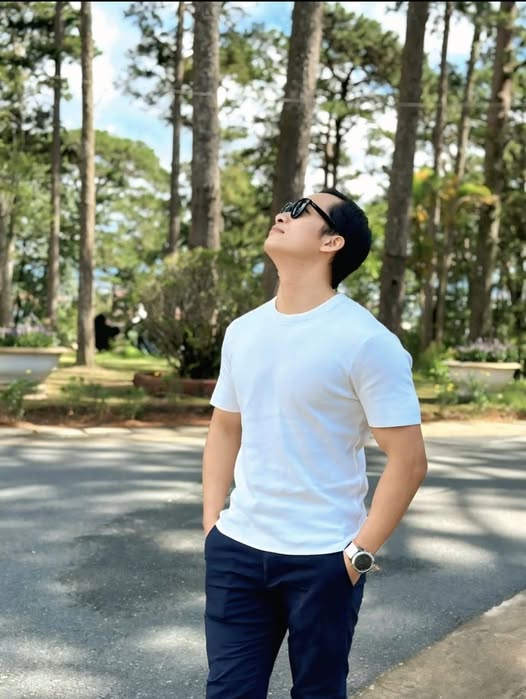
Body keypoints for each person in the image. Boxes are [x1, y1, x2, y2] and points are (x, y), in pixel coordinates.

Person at [202, 187, 428, 699]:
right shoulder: (243, 331)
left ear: (332, 242)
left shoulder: (368, 341)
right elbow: (225, 426)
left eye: (302, 210)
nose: (283, 213)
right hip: (237, 550)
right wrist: (213, 524)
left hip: (324, 558)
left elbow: (409, 461)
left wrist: (357, 556)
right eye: (287, 205)